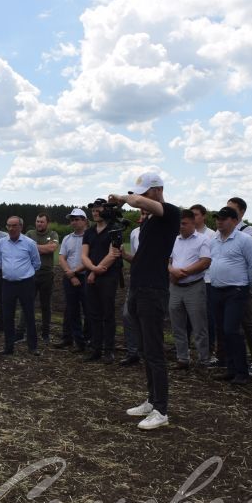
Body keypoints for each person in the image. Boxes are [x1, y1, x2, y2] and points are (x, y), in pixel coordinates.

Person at [111, 172, 181, 430]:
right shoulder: (150, 222)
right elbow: (144, 256)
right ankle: (151, 401)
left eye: (144, 191)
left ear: (158, 190)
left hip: (154, 291)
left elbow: (141, 203)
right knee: (144, 349)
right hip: (139, 289)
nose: (140, 196)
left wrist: (124, 197)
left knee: (154, 351)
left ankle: (161, 410)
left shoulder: (171, 213)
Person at [208, 206, 252, 386]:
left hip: (236, 291)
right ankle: (230, 370)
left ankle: (242, 371)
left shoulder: (244, 240)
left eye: (223, 218)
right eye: (217, 218)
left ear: (234, 221)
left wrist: (247, 287)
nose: (219, 221)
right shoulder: (215, 240)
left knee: (232, 330)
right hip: (217, 290)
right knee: (223, 331)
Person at [168, 209, 212, 368]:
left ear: (193, 223)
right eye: (179, 223)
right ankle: (182, 358)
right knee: (177, 325)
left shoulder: (203, 239)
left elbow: (205, 262)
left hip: (194, 287)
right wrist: (173, 271)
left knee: (199, 325)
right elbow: (169, 260)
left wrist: (182, 272)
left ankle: (203, 359)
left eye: (184, 223)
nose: (181, 226)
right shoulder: (175, 239)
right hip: (175, 287)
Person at [81, 200, 123, 364]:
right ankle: (96, 349)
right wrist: (92, 269)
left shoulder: (115, 229)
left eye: (98, 210)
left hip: (108, 276)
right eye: (93, 210)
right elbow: (84, 254)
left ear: (105, 210)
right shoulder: (89, 232)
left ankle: (109, 350)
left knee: (108, 314)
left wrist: (95, 271)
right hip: (92, 275)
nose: (95, 212)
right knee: (94, 314)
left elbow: (114, 253)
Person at [227, 196, 252, 376]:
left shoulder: (249, 231)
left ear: (242, 212)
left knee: (249, 322)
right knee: (229, 325)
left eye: (232, 210)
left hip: (242, 286)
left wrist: (249, 284)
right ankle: (233, 360)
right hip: (226, 287)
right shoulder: (223, 232)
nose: (228, 213)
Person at [0, 216, 41, 356]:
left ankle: (32, 347)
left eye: (14, 226)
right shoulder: (1, 243)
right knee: (7, 316)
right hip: (7, 284)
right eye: (9, 226)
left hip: (25, 284)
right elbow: (0, 261)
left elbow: (36, 263)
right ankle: (8, 347)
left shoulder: (30, 243)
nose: (11, 228)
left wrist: (25, 274)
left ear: (21, 227)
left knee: (29, 315)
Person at [53, 209, 89, 352]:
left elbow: (90, 259)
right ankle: (73, 340)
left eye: (76, 219)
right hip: (69, 277)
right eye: (72, 220)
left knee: (88, 309)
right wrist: (71, 274)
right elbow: (62, 257)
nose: (73, 222)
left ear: (85, 220)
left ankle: (87, 340)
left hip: (85, 276)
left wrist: (75, 272)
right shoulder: (67, 238)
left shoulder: (90, 237)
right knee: (71, 310)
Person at [21, 213, 58, 343]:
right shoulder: (30, 233)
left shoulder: (53, 234)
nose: (39, 224)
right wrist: (43, 247)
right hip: (30, 274)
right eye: (37, 221)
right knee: (27, 303)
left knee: (45, 305)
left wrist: (33, 247)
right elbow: (24, 248)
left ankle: (45, 334)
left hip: (47, 274)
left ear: (47, 223)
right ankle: (21, 333)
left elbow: (52, 248)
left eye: (42, 222)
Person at [191, 204, 219, 367]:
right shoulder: (187, 234)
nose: (193, 218)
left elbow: (212, 259)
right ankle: (188, 350)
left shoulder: (211, 235)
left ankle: (210, 350)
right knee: (188, 317)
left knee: (207, 318)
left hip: (207, 280)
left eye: (196, 215)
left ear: (204, 216)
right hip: (189, 280)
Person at [119, 212, 147, 366]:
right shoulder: (135, 232)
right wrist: (124, 255)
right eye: (142, 213)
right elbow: (136, 258)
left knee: (147, 318)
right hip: (136, 279)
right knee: (128, 315)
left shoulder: (161, 232)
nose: (143, 215)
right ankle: (133, 352)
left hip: (153, 281)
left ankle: (148, 353)